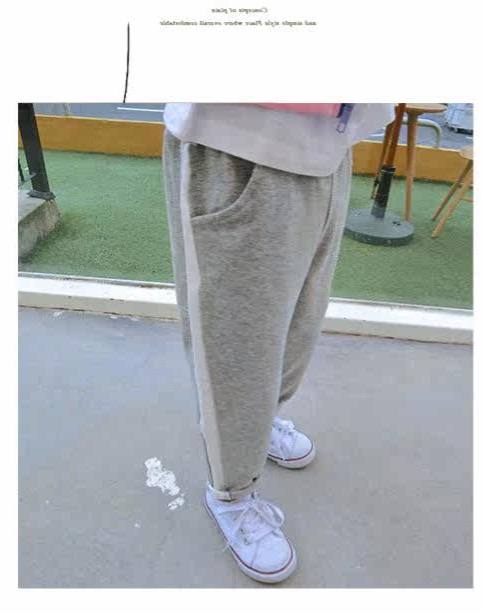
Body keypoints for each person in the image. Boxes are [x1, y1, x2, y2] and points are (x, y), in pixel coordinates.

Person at [162, 102, 393, 583]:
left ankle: (259, 425)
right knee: (234, 340)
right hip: (239, 143)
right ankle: (230, 492)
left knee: (299, 318)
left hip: (327, 146)